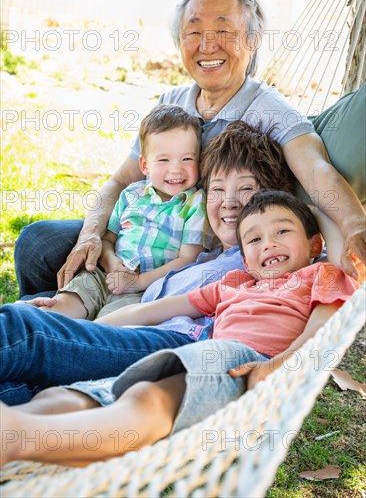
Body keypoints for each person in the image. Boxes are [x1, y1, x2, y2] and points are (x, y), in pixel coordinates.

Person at [14, 0, 366, 299]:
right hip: (143, 232)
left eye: (224, 30)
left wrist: (355, 225)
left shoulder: (272, 111)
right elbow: (123, 179)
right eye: (193, 32)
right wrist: (93, 234)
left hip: (199, 254)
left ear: (253, 40)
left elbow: (318, 171)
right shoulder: (171, 103)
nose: (207, 45)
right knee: (37, 244)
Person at [1, 191, 358, 467]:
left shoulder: (320, 274)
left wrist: (282, 364)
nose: (269, 243)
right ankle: (17, 425)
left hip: (246, 363)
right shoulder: (235, 283)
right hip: (197, 350)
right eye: (254, 239)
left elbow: (324, 327)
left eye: (283, 231)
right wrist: (77, 329)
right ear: (246, 260)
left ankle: (23, 437)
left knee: (148, 398)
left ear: (314, 245)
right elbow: (157, 310)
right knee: (73, 392)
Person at [0, 122, 296, 406]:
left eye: (245, 189)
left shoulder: (261, 265)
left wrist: (80, 329)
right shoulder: (206, 254)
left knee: (25, 329)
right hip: (127, 329)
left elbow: (317, 262)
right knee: (25, 315)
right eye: (217, 190)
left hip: (170, 348)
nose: (228, 201)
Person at [39, 104, 213, 320]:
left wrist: (138, 282)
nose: (176, 168)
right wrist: (111, 263)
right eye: (164, 160)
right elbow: (108, 239)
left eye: (187, 159)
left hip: (144, 292)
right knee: (60, 309)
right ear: (145, 165)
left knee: (103, 329)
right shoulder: (132, 194)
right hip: (102, 277)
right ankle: (33, 326)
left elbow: (188, 259)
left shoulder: (194, 204)